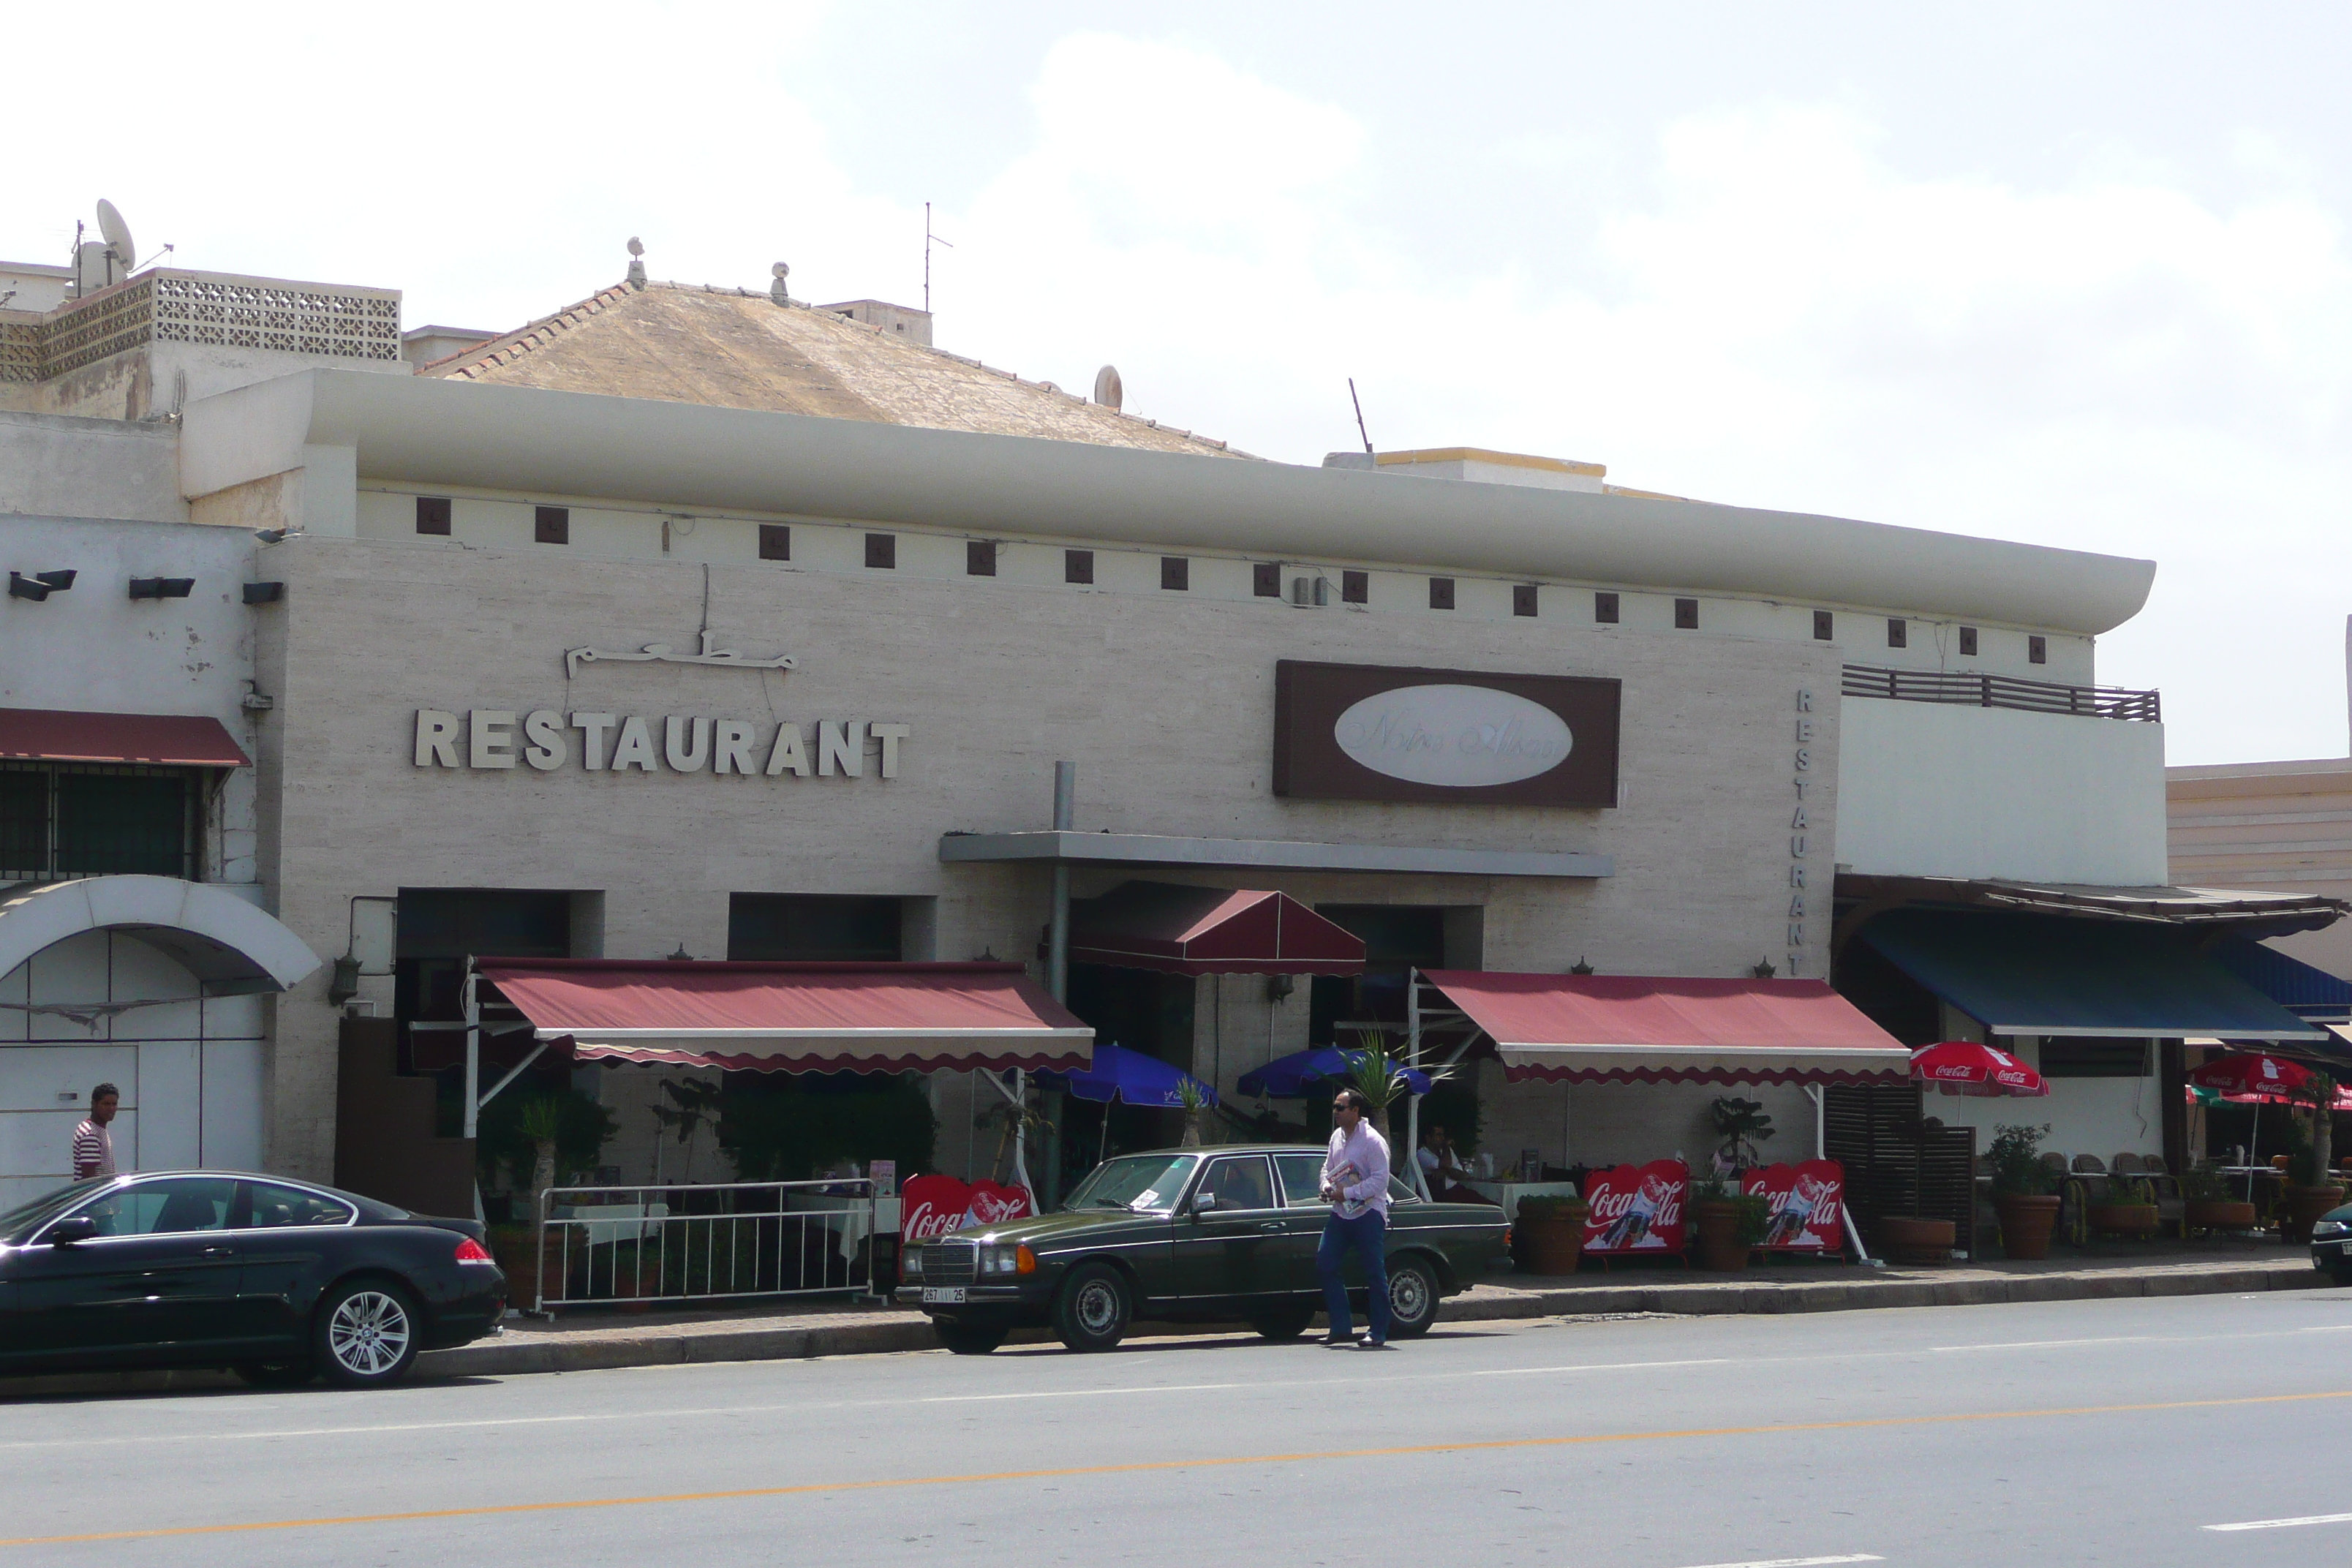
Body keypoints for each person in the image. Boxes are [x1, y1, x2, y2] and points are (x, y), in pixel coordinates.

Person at [1316, 1088, 1392, 1349]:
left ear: (1356, 1111)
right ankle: (1340, 1327)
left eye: (1340, 1107)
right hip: (1341, 1214)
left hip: (1368, 1213)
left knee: (1373, 1272)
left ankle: (1378, 1331)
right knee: (1326, 1263)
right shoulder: (1337, 1137)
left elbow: (1380, 1181)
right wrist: (1327, 1187)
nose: (1335, 1112)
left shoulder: (1373, 1141)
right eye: (1335, 1107)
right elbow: (1327, 1168)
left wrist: (1346, 1193)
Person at [1417, 1124, 1480, 1203]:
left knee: (1490, 1205)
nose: (1442, 1138)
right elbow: (1446, 1164)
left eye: (1443, 1135)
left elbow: (1462, 1175)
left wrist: (1445, 1171)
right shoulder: (1422, 1154)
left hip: (1457, 1189)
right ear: (1428, 1138)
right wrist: (1446, 1146)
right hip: (1441, 1195)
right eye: (1438, 1135)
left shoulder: (1446, 1151)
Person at [72, 1083, 119, 1181]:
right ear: (94, 1104)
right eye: (106, 1104)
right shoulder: (90, 1135)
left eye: (114, 1104)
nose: (111, 1108)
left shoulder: (98, 1129)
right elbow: (89, 1181)